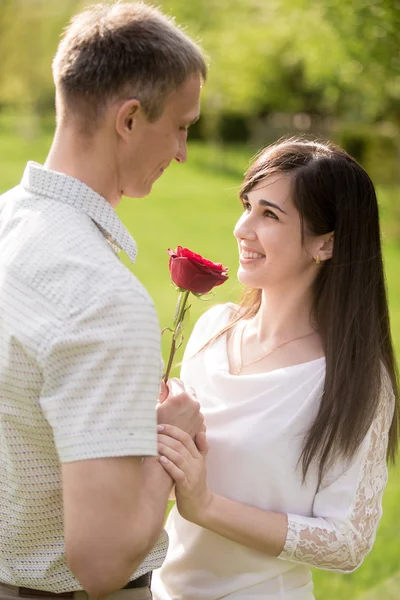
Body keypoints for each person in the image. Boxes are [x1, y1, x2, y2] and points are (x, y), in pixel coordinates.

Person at [0, 3, 207, 600]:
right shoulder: (103, 297)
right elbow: (102, 559)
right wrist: (167, 447)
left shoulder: (8, 223)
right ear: (130, 119)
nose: (184, 151)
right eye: (182, 125)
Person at [152, 138, 399, 600]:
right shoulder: (213, 330)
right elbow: (173, 479)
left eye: (270, 215)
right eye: (247, 205)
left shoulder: (352, 380)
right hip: (162, 591)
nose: (242, 228)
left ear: (325, 243)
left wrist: (205, 505)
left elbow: (346, 542)